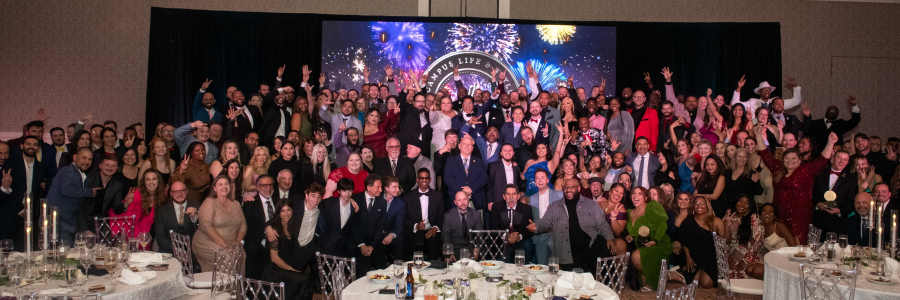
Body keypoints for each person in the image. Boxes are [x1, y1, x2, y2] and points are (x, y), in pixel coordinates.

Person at [758, 132, 838, 244]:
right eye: (787, 158)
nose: (790, 161)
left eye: (794, 158)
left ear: (800, 160)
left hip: (799, 219)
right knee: (780, 248)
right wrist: (758, 135)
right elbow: (765, 154)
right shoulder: (778, 169)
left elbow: (822, 160)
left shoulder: (805, 171)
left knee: (797, 249)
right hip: (780, 217)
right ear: (783, 160)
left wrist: (830, 142)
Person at [527, 178, 616, 272]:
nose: (568, 189)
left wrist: (609, 237)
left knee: (602, 251)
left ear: (578, 189)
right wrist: (537, 226)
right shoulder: (554, 206)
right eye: (566, 187)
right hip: (567, 252)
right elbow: (545, 222)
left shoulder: (591, 204)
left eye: (572, 187)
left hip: (590, 248)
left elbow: (602, 223)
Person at [193, 175, 247, 272]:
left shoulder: (236, 204)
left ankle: (237, 286)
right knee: (227, 257)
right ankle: (223, 286)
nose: (224, 186)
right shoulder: (209, 202)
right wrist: (224, 245)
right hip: (207, 241)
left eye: (226, 184)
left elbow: (243, 225)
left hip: (231, 242)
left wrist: (237, 242)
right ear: (214, 188)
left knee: (241, 254)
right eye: (220, 184)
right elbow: (206, 226)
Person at [625, 187, 671, 291]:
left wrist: (655, 240)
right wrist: (630, 236)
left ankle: (664, 275)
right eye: (633, 193)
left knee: (636, 256)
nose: (635, 196)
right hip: (642, 245)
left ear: (646, 197)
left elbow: (662, 224)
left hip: (659, 243)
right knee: (643, 283)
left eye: (640, 194)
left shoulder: (652, 206)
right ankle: (665, 274)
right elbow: (634, 231)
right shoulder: (629, 212)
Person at [671, 196, 723, 288]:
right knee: (694, 282)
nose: (699, 206)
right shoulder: (688, 221)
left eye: (702, 203)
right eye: (697, 203)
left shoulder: (716, 221)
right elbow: (684, 241)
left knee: (706, 283)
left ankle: (692, 277)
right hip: (694, 257)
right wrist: (688, 257)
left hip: (711, 258)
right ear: (693, 206)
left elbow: (723, 242)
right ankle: (691, 276)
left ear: (707, 206)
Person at [811, 150, 857, 238]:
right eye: (839, 157)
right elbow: (812, 192)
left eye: (845, 160)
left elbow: (852, 200)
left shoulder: (851, 179)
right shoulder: (820, 173)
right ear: (833, 158)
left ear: (847, 162)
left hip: (838, 221)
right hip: (819, 218)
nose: (841, 161)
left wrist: (840, 210)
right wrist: (818, 203)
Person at [110, 169, 163, 243]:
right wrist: (126, 204)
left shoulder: (162, 198)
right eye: (147, 179)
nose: (151, 182)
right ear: (144, 182)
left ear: (158, 181)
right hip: (127, 237)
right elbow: (120, 213)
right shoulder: (135, 194)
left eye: (154, 179)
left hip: (145, 238)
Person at [243, 175, 279, 279]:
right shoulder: (250, 202)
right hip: (258, 242)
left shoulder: (277, 200)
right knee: (252, 251)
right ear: (257, 187)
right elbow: (251, 224)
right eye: (263, 185)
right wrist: (266, 227)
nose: (268, 188)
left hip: (276, 241)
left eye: (270, 185)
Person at [352, 174, 388, 274]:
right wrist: (362, 245)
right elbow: (353, 225)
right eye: (378, 187)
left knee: (382, 272)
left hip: (375, 243)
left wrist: (372, 246)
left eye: (381, 187)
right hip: (358, 242)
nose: (381, 190)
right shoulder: (355, 199)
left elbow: (381, 227)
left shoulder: (382, 202)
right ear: (368, 187)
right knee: (361, 274)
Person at [722, 195, 764, 279]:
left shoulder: (754, 219)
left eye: (746, 203)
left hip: (750, 253)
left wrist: (744, 260)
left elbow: (757, 243)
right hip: (732, 251)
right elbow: (726, 241)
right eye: (740, 201)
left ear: (750, 206)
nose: (742, 205)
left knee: (746, 270)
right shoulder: (731, 216)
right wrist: (726, 223)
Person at [405, 168, 443, 260]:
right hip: (416, 231)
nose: (424, 180)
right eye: (421, 178)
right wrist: (416, 226)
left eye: (426, 178)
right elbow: (405, 218)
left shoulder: (438, 196)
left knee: (434, 242)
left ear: (430, 180)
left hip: (432, 230)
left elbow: (441, 216)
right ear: (417, 180)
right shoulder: (408, 196)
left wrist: (435, 228)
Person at [318, 178, 361, 258]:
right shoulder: (328, 203)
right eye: (344, 191)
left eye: (350, 190)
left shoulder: (354, 206)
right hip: (328, 244)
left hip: (345, 247)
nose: (347, 194)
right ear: (338, 191)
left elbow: (353, 227)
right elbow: (320, 220)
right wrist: (324, 237)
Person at [153, 180, 199, 254]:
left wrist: (195, 219)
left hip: (192, 252)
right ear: (171, 193)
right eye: (175, 192)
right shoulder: (161, 211)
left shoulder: (196, 206)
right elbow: (161, 238)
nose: (179, 194)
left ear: (187, 191)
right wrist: (178, 250)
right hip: (168, 252)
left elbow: (201, 232)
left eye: (182, 191)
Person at [443, 135, 489, 210]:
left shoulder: (479, 161)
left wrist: (472, 188)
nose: (467, 146)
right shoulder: (451, 160)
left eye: (470, 144)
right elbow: (447, 179)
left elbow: (484, 178)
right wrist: (462, 191)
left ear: (472, 148)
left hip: (476, 200)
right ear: (459, 146)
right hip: (456, 199)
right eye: (464, 144)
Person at [380, 176, 406, 262]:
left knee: (399, 239)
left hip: (392, 233)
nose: (397, 189)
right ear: (386, 188)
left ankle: (398, 267)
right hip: (377, 234)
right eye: (394, 187)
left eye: (398, 187)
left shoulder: (400, 203)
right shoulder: (377, 199)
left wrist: (391, 235)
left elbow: (399, 225)